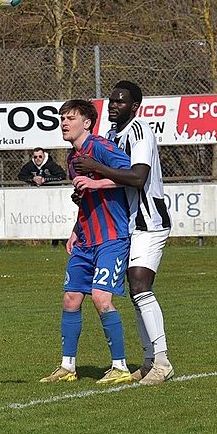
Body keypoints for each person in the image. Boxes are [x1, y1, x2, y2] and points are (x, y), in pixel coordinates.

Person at [71, 80, 174, 385]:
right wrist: (88, 190)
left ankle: (162, 362)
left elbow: (138, 177)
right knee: (136, 290)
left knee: (140, 285)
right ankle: (149, 361)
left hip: (149, 221)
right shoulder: (112, 136)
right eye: (111, 101)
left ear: (135, 106)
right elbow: (111, 182)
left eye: (121, 101)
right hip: (127, 223)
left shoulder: (140, 130)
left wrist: (96, 170)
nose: (114, 106)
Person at [40, 99, 134, 385]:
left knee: (101, 298)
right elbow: (85, 197)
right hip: (85, 238)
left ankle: (120, 367)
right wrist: (74, 230)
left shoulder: (101, 147)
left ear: (88, 122)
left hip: (111, 237)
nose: (64, 123)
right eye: (62, 119)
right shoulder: (72, 159)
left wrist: (97, 182)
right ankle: (67, 366)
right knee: (70, 299)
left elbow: (131, 175)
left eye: (70, 118)